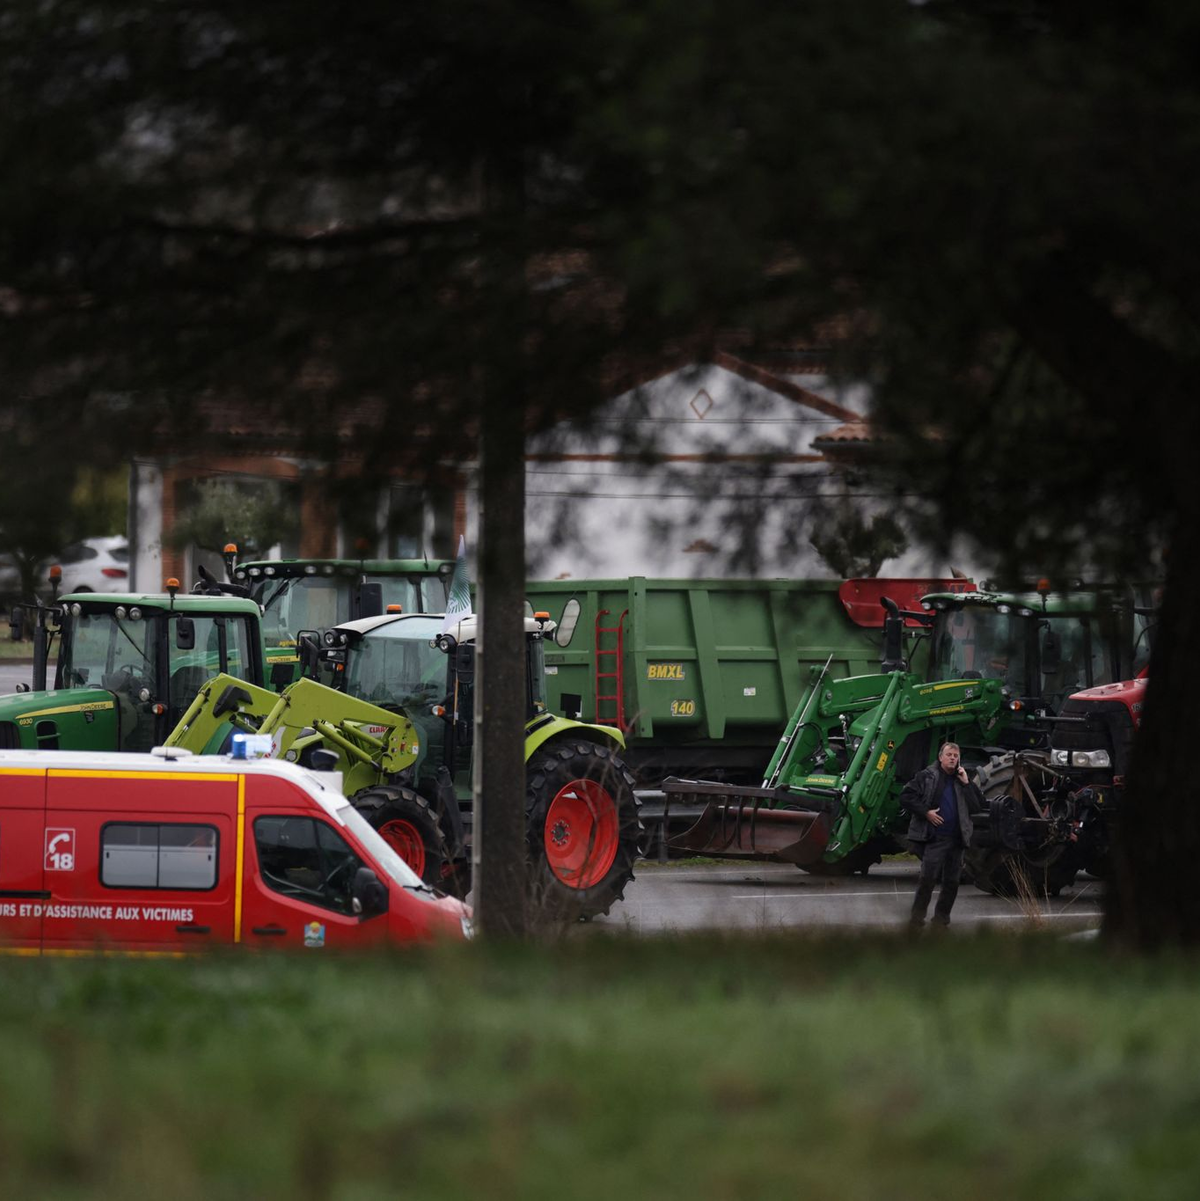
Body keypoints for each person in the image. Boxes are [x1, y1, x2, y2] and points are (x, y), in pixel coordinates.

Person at [900, 741, 985, 929]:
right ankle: (916, 920)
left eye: (956, 755)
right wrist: (926, 812)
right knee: (927, 880)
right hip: (935, 838)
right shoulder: (927, 776)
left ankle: (941, 920)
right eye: (949, 755)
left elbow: (978, 806)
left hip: (957, 840)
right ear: (940, 757)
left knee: (952, 883)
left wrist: (967, 783)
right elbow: (906, 796)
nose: (953, 758)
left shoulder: (963, 780)